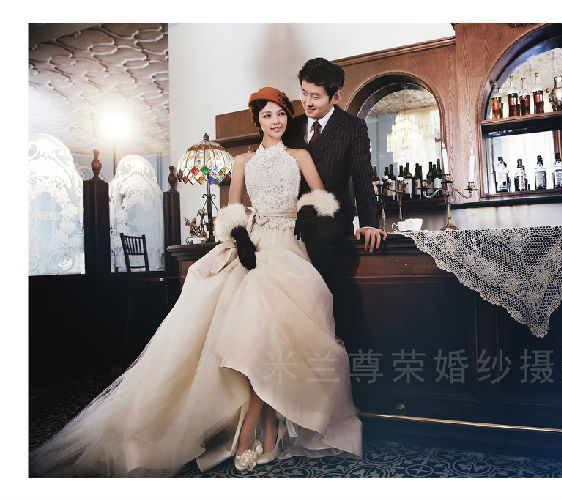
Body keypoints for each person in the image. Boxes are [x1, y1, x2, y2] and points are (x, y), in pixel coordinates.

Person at [29, 87, 363, 477]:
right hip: (255, 249)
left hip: (290, 245)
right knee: (260, 340)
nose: (276, 121)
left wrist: (306, 212)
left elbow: (322, 198)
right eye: (267, 115)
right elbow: (232, 209)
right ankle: (262, 431)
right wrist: (240, 237)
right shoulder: (242, 161)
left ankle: (261, 429)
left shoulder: (300, 156)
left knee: (281, 339)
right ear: (257, 120)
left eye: (281, 114)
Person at [284, 57, 387, 267]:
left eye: (316, 96)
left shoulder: (353, 128)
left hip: (332, 226)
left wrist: (369, 224)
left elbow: (362, 180)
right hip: (293, 225)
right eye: (304, 93)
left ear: (336, 96)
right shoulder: (290, 127)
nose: (307, 102)